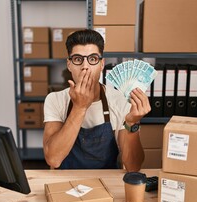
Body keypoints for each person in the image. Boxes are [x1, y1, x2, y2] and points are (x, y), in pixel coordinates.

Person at [43, 29, 151, 171]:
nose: (85, 66)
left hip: (106, 181)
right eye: (77, 59)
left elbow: (133, 166)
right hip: (65, 181)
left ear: (101, 64)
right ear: (69, 64)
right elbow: (53, 159)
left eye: (93, 59)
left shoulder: (120, 101)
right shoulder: (55, 99)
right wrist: (80, 107)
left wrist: (132, 124)